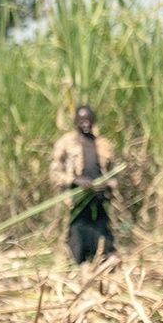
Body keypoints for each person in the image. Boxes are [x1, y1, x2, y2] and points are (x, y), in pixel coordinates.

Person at [50, 105, 117, 265]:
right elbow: (54, 172)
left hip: (98, 199)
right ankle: (78, 266)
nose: (85, 124)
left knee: (102, 234)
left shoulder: (103, 144)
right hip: (77, 200)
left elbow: (114, 174)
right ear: (75, 122)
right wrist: (75, 180)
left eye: (88, 120)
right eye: (81, 121)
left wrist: (107, 185)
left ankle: (103, 264)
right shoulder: (66, 143)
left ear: (93, 121)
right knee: (77, 233)